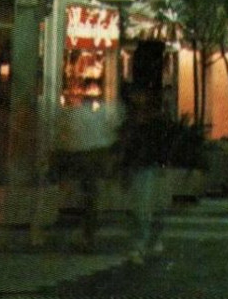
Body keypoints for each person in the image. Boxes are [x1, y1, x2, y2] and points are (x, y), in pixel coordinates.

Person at [54, 96, 123, 249]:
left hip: (78, 158)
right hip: (92, 158)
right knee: (90, 196)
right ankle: (88, 234)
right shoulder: (95, 117)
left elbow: (64, 136)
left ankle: (84, 232)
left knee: (84, 195)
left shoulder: (73, 115)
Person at [120, 89, 167, 265]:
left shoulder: (151, 124)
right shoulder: (134, 125)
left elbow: (160, 145)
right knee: (141, 209)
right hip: (140, 168)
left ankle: (143, 243)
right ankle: (140, 244)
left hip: (147, 167)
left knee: (147, 208)